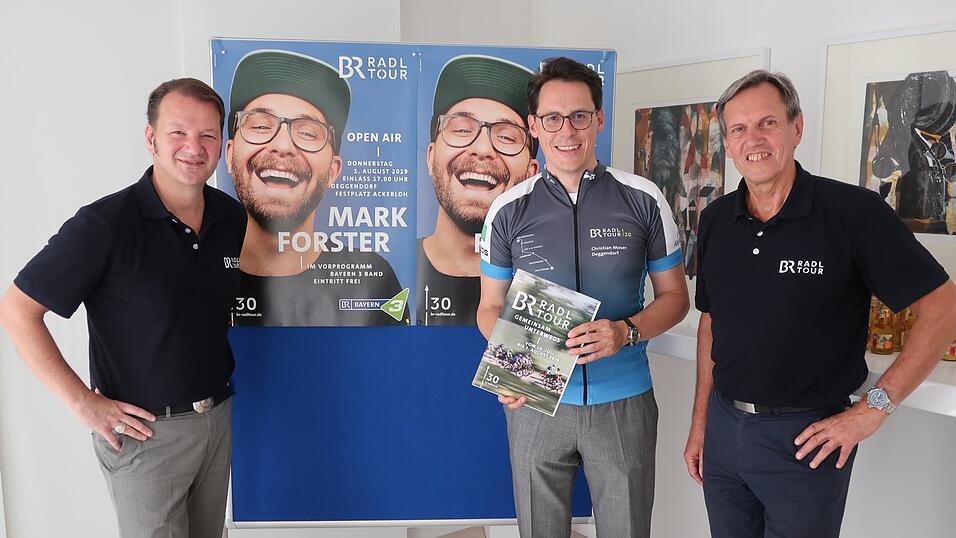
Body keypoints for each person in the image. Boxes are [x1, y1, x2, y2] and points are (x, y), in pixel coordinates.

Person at [683, 70, 956, 538]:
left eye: (767, 123)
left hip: (806, 440)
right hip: (725, 431)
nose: (754, 140)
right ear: (726, 143)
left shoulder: (853, 212)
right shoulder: (715, 219)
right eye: (738, 129)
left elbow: (945, 305)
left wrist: (873, 409)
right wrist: (701, 422)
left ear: (797, 128)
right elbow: (712, 321)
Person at [0, 78, 246, 537]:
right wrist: (83, 403)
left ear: (222, 145)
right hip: (146, 437)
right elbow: (16, 310)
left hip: (216, 421)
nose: (193, 147)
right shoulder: (105, 225)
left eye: (208, 134)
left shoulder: (230, 218)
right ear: (151, 138)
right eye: (178, 132)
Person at [477, 57, 690, 538]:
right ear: (534, 126)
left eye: (579, 116)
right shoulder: (507, 209)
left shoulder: (644, 198)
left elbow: (675, 297)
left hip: (623, 401)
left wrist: (625, 331)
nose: (566, 131)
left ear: (598, 118)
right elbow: (489, 307)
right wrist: (511, 364)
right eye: (552, 118)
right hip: (535, 401)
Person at [226, 49, 407, 326]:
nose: (283, 145)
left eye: (308, 133)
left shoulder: (374, 277)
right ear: (229, 155)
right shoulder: (201, 272)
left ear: (333, 171)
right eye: (261, 126)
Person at [417, 55, 538, 326]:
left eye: (506, 136)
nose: (483, 149)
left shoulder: (547, 277)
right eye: (461, 129)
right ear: (431, 156)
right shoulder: (391, 277)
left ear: (532, 173)